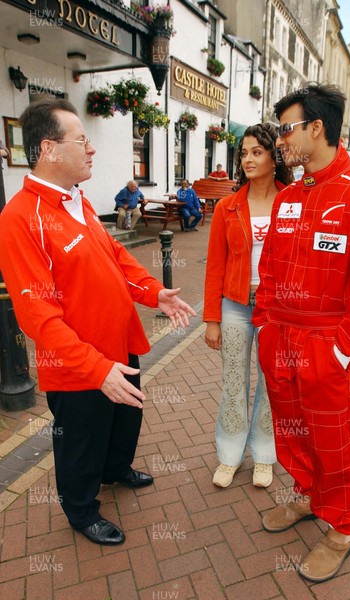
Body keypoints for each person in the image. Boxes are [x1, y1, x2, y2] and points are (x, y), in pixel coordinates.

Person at [0, 98, 196, 547]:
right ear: (49, 149)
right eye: (81, 140)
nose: (91, 149)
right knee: (80, 442)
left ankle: (115, 470)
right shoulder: (20, 219)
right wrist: (95, 369)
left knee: (124, 421)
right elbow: (38, 316)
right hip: (78, 367)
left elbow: (117, 257)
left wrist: (153, 292)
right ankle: (81, 508)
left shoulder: (79, 201)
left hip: (119, 345)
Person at [252, 83, 350, 583]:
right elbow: (268, 271)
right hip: (281, 340)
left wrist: (339, 350)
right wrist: (266, 326)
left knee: (331, 441)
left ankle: (343, 527)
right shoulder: (290, 196)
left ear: (317, 128)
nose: (280, 139)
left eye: (286, 128)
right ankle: (309, 499)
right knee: (291, 432)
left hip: (324, 345)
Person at [203, 123, 293, 488]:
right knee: (233, 382)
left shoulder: (292, 202)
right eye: (244, 153)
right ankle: (229, 455)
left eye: (257, 152)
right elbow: (214, 266)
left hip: (276, 308)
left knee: (272, 384)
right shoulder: (227, 207)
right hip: (236, 305)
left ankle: (264, 455)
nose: (248, 159)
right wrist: (212, 319)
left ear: (274, 157)